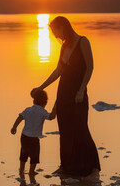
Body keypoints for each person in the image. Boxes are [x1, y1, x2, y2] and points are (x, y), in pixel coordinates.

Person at [31, 16, 101, 179]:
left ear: (63, 27)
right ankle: (67, 167)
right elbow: (58, 72)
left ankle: (92, 169)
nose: (56, 36)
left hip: (78, 94)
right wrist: (41, 87)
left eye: (55, 32)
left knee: (81, 129)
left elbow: (90, 67)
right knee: (65, 131)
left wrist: (81, 90)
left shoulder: (83, 42)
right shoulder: (64, 47)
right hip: (63, 94)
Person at [11, 89, 56, 175]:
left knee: (23, 152)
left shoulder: (28, 110)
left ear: (34, 100)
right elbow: (52, 117)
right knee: (34, 156)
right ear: (45, 102)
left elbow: (20, 117)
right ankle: (31, 171)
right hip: (34, 138)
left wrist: (14, 127)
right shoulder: (42, 112)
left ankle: (21, 170)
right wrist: (56, 106)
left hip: (24, 136)